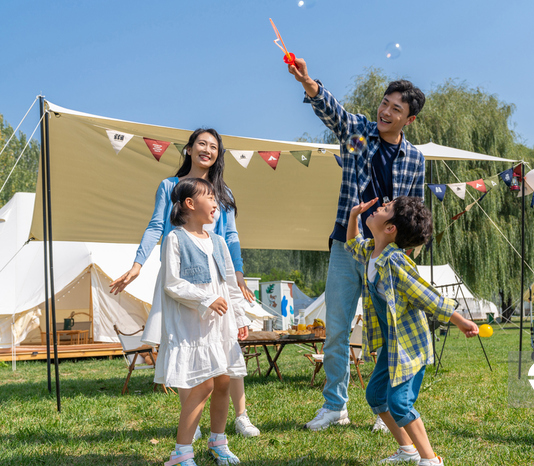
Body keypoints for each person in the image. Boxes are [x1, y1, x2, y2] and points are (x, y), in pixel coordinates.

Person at [288, 58, 426, 431]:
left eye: (396, 108)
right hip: (347, 245)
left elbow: (415, 211)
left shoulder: (415, 158)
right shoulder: (360, 135)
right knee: (336, 328)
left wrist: (406, 256)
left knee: (387, 331)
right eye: (385, 103)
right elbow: (335, 114)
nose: (385, 111)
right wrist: (307, 82)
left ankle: (385, 407)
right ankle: (335, 405)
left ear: (409, 120)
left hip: (387, 254)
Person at [109, 128, 260, 438]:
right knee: (183, 343)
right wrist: (138, 264)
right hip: (178, 276)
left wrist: (239, 274)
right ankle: (191, 420)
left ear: (219, 154)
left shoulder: (222, 194)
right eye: (201, 144)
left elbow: (230, 236)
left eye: (214, 146)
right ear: (189, 149)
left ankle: (241, 415)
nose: (207, 149)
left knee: (226, 341)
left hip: (217, 276)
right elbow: (155, 227)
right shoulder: (169, 187)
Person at [346, 196, 479, 465]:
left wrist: (459, 320)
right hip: (391, 346)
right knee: (375, 395)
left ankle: (430, 459)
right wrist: (352, 217)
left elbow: (426, 296)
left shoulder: (395, 261)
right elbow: (352, 245)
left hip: (409, 347)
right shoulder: (372, 251)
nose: (378, 208)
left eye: (385, 209)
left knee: (399, 403)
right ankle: (407, 449)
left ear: (390, 228)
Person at [157, 178, 246, 466]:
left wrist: (240, 317)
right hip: (193, 326)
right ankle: (181, 453)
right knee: (202, 385)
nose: (216, 202)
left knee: (222, 381)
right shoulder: (175, 239)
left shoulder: (218, 242)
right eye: (209, 197)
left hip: (219, 326)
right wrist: (205, 299)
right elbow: (172, 282)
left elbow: (230, 284)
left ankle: (218, 441)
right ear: (190, 204)